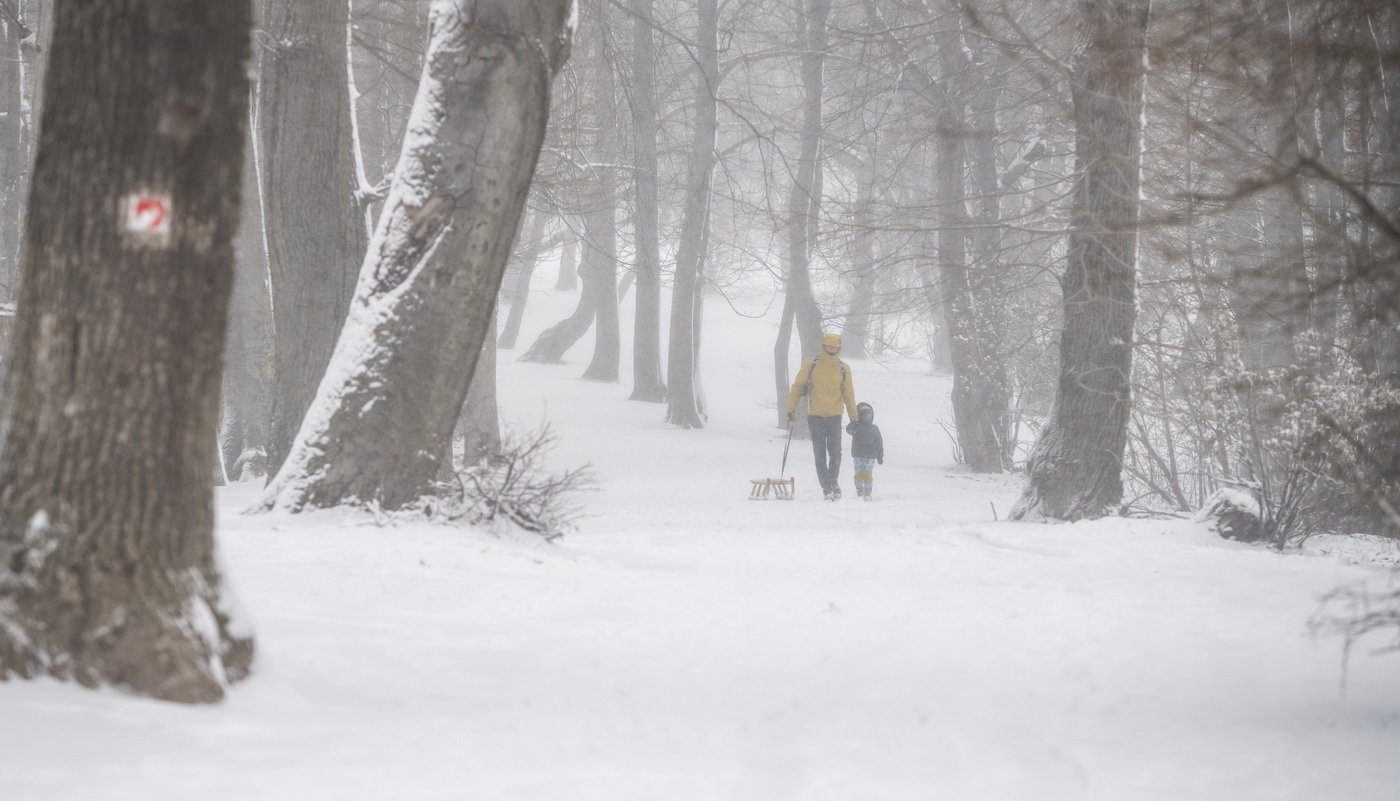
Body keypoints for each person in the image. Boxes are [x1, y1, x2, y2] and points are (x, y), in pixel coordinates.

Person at [786, 332, 857, 500]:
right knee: (819, 454)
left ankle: (833, 482)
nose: (831, 349)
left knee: (836, 454)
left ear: (839, 348)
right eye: (828, 346)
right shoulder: (811, 364)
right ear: (823, 346)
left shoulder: (843, 368)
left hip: (835, 415)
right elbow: (797, 387)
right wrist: (791, 409)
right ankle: (827, 487)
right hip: (815, 415)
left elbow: (848, 394)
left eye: (835, 347)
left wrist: (854, 417)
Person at [845, 402, 884, 501]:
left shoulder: (874, 428)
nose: (867, 417)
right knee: (858, 473)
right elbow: (848, 429)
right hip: (858, 455)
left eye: (868, 415)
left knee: (867, 474)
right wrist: (854, 421)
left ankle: (867, 491)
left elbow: (879, 442)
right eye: (864, 415)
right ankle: (859, 490)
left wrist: (880, 455)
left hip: (870, 456)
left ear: (872, 416)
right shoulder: (856, 427)